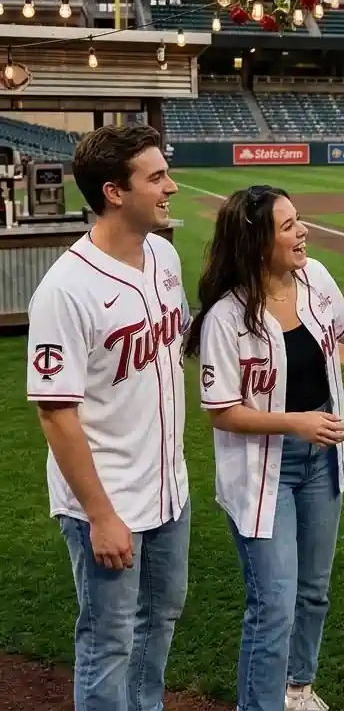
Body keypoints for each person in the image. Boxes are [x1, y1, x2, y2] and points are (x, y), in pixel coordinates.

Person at [185, 185, 344, 711]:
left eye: (300, 221)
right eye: (290, 226)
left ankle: (299, 688)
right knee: (272, 604)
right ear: (257, 243)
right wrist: (296, 423)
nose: (304, 233)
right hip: (261, 473)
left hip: (321, 463)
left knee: (313, 593)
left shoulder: (313, 276)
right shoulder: (226, 317)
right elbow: (221, 409)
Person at [27, 123, 190, 711]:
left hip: (169, 489)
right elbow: (56, 412)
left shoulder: (164, 257)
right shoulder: (65, 289)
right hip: (109, 498)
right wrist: (100, 516)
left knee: (160, 621)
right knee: (108, 640)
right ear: (114, 192)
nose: (170, 185)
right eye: (156, 176)